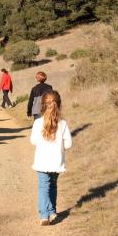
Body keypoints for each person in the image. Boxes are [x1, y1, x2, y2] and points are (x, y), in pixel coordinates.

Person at [30, 90, 72, 226]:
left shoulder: (38, 123)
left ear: (43, 105)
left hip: (42, 161)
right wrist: (60, 147)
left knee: (43, 187)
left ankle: (44, 215)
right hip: (56, 161)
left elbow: (33, 141)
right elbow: (68, 144)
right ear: (59, 104)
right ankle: (52, 210)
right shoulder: (63, 123)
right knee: (53, 185)